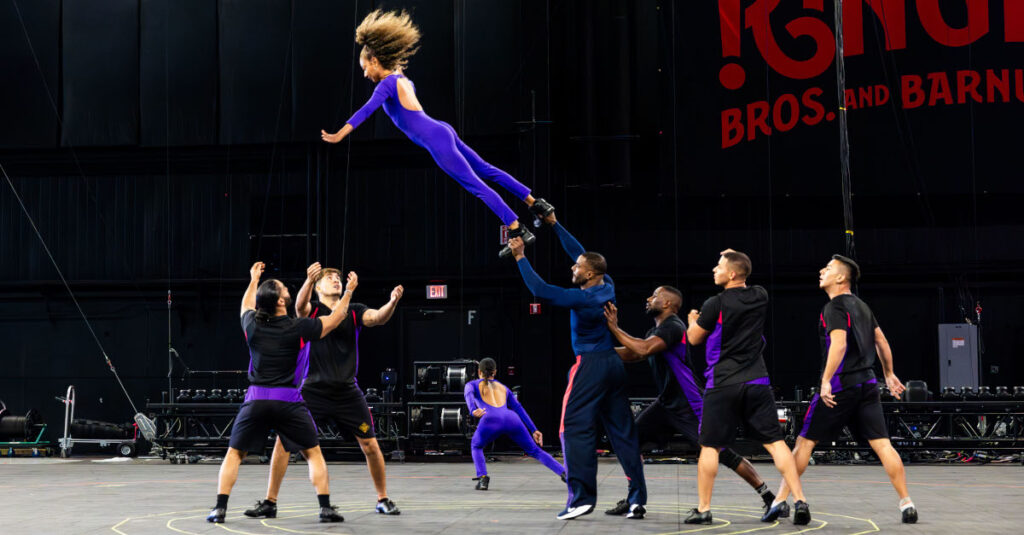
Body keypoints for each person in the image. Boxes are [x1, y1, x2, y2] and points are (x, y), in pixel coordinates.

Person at [320, 9, 555, 257]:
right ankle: (535, 202)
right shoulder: (401, 77)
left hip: (436, 138)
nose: (365, 73)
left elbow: (367, 111)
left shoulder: (387, 83)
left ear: (376, 61)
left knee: (476, 185)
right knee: (487, 170)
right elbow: (395, 71)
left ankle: (517, 229)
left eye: (365, 67)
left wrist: (339, 135)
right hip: (442, 129)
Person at [508, 213, 647, 521]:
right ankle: (637, 498)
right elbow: (578, 251)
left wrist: (520, 257)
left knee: (571, 428)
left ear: (589, 273)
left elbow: (541, 289)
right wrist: (554, 224)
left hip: (591, 365)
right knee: (622, 433)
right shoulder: (606, 284)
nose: (573, 266)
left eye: (578, 266)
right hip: (613, 364)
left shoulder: (582, 299)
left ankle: (581, 497)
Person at [765, 255, 918, 524]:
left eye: (829, 268)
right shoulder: (863, 307)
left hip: (839, 385)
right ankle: (907, 503)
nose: (821, 270)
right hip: (868, 384)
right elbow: (881, 340)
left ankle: (780, 500)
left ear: (841, 278)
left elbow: (839, 344)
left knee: (805, 441)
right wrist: (889, 373)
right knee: (882, 444)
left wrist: (826, 379)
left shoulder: (834, 307)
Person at [245, 263, 405, 518]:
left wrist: (392, 302)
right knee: (283, 444)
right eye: (328, 277)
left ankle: (382, 499)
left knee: (371, 445)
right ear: (318, 286)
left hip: (346, 391)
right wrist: (308, 281)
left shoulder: (353, 311)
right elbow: (299, 307)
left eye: (337, 277)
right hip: (312, 391)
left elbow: (377, 318)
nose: (335, 279)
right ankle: (270, 501)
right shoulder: (313, 311)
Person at [602, 286, 779, 516]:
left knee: (722, 452)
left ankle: (768, 496)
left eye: (654, 295)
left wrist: (614, 328)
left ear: (667, 303)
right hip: (666, 403)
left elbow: (643, 349)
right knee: (631, 442)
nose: (648, 298)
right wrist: (600, 352)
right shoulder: (653, 332)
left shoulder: (674, 327)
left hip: (689, 404)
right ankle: (635, 498)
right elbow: (634, 353)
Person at [207, 262, 351, 524]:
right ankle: (326, 508)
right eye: (285, 289)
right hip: (288, 401)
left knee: (234, 454)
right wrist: (349, 291)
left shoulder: (252, 324)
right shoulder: (299, 327)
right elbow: (335, 319)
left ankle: (219, 508)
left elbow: (246, 305)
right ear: (282, 301)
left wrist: (253, 280)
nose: (288, 289)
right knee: (313, 453)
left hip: (257, 400)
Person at [684, 250, 810, 526]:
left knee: (708, 446)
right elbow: (743, 272)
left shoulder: (714, 304)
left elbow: (693, 339)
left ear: (731, 274)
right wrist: (731, 255)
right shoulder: (760, 296)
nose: (714, 270)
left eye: (719, 266)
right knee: (776, 444)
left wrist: (694, 318)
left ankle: (703, 509)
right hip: (757, 382)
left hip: (723, 383)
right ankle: (799, 500)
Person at [464, 358, 566, 490]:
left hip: (489, 419)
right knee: (535, 450)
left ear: (479, 372)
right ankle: (564, 473)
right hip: (512, 419)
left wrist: (473, 410)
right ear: (495, 372)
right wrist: (534, 429)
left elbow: (469, 395)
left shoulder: (472, 384)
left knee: (476, 446)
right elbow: (519, 408)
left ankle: (483, 478)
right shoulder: (503, 388)